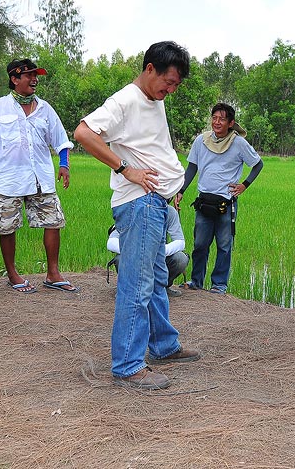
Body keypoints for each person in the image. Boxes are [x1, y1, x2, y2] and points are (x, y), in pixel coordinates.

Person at [74, 41, 200, 390]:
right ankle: (128, 364)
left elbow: (151, 147)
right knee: (138, 283)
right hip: (139, 203)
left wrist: (169, 190)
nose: (170, 90)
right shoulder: (125, 101)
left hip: (156, 202)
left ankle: (162, 345)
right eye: (168, 82)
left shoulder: (153, 100)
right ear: (149, 69)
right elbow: (83, 133)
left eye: (176, 85)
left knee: (157, 277)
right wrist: (125, 168)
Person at [0, 58, 78, 294]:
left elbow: (61, 141)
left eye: (36, 76)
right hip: (8, 179)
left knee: (53, 222)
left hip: (40, 178)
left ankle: (53, 274)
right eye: (29, 75)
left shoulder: (45, 109)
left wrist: (64, 164)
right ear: (15, 79)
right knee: (7, 227)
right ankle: (13, 275)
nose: (35, 80)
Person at [174, 103, 263, 294]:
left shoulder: (238, 143)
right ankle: (196, 281)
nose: (217, 122)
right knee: (199, 244)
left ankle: (219, 285)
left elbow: (258, 164)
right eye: (214, 118)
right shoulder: (201, 140)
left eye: (222, 119)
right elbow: (192, 168)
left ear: (231, 123)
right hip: (204, 201)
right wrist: (180, 190)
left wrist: (244, 185)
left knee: (224, 245)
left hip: (226, 203)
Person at [107, 205, 189, 297]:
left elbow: (180, 242)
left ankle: (162, 287)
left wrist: (160, 251)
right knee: (120, 259)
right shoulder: (130, 209)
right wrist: (136, 251)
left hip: (158, 256)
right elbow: (111, 242)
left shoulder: (169, 211)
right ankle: (128, 289)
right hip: (134, 256)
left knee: (181, 258)